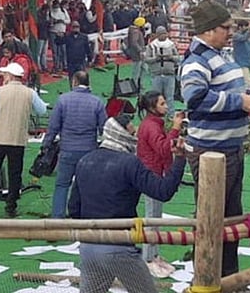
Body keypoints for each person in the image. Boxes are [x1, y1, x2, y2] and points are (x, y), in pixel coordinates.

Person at [180, 0, 250, 277]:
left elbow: (232, 90)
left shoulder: (222, 55)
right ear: (208, 30)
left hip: (230, 147)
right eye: (225, 27)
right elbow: (194, 98)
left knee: (231, 216)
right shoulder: (197, 61)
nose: (231, 32)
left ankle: (228, 276)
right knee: (212, 218)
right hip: (211, 152)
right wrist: (238, 102)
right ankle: (207, 276)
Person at [69, 114, 186, 293]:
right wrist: (179, 160)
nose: (135, 139)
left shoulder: (85, 160)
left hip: (89, 246)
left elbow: (74, 208)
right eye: (132, 133)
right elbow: (163, 191)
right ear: (122, 135)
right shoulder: (130, 163)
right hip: (119, 246)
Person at [0, 62, 47, 217]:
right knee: (15, 173)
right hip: (17, 139)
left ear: (9, 76)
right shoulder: (29, 93)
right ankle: (11, 205)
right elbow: (42, 110)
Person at [43, 71, 107, 218]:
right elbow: (103, 128)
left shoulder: (63, 100)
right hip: (89, 150)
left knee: (62, 184)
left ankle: (57, 217)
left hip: (67, 149)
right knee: (87, 185)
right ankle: (87, 216)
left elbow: (53, 126)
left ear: (74, 82)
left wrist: (46, 144)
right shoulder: (97, 102)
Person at [136, 91, 185, 264]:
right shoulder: (151, 126)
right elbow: (163, 148)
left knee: (155, 216)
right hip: (152, 174)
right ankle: (148, 259)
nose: (166, 106)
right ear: (152, 107)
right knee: (152, 218)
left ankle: (153, 255)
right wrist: (175, 128)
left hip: (154, 171)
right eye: (162, 103)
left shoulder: (153, 123)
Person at [145, 26, 181, 116]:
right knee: (156, 98)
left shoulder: (171, 45)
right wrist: (155, 59)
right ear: (157, 35)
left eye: (164, 33)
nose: (163, 35)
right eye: (160, 34)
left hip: (169, 75)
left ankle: (170, 115)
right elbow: (147, 59)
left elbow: (178, 58)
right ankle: (156, 115)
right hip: (156, 75)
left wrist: (171, 57)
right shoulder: (152, 46)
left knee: (170, 97)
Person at [125, 17, 147, 90]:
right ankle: (134, 86)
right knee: (136, 71)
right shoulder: (136, 31)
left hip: (139, 54)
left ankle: (139, 84)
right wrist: (140, 50)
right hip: (138, 54)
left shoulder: (134, 30)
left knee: (143, 68)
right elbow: (134, 42)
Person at [49, 0, 70, 74]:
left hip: (62, 32)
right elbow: (49, 22)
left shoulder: (63, 11)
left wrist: (62, 21)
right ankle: (56, 66)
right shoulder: (50, 12)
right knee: (55, 51)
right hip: (53, 32)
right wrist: (54, 22)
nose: (56, 7)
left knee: (63, 50)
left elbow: (68, 21)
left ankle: (64, 65)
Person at [232, 20, 250, 86]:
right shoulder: (236, 36)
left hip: (249, 62)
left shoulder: (247, 36)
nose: (247, 28)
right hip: (241, 63)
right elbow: (243, 38)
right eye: (246, 26)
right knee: (247, 82)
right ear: (240, 27)